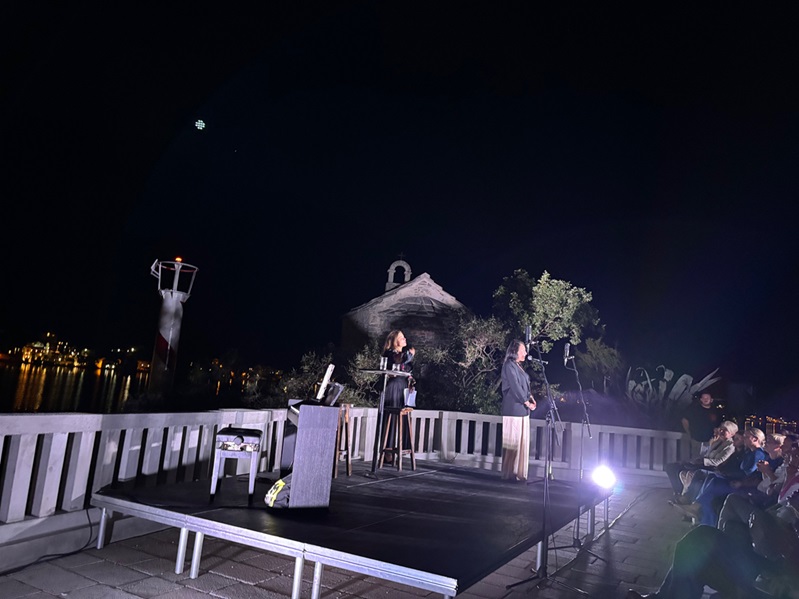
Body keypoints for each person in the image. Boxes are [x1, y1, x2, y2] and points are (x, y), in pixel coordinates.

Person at [674, 427, 767, 526]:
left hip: (744, 486)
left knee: (714, 484)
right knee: (711, 478)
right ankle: (698, 510)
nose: (743, 439)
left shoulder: (758, 454)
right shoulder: (750, 452)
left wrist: (731, 476)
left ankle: (700, 513)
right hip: (737, 480)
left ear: (755, 439)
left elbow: (749, 472)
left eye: (746, 437)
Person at [664, 421, 737, 498]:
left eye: (725, 430)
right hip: (703, 464)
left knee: (685, 472)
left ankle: (685, 495)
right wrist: (695, 460)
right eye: (721, 429)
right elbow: (706, 455)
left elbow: (718, 462)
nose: (721, 431)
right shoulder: (717, 441)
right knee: (671, 467)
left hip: (712, 468)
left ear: (732, 433)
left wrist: (703, 461)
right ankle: (678, 492)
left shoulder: (730, 446)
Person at [500, 340, 536, 482]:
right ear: (515, 351)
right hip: (513, 409)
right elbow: (515, 386)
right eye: (523, 350)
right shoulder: (509, 365)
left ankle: (520, 473)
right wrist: (526, 402)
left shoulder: (518, 366)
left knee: (522, 442)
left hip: (523, 409)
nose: (525, 353)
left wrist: (531, 398)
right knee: (512, 442)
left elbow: (525, 386)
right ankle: (510, 473)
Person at [381, 330, 415, 461]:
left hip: (403, 387)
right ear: (395, 341)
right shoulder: (391, 353)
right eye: (401, 338)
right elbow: (399, 360)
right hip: (394, 386)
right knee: (391, 418)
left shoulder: (404, 355)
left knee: (403, 417)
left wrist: (411, 382)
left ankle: (401, 448)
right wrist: (410, 355)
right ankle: (387, 452)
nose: (404, 339)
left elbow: (408, 371)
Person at [679, 392, 723, 457]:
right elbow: (684, 420)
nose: (705, 399)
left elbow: (719, 424)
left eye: (707, 398)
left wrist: (717, 433)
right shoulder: (694, 409)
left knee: (707, 458)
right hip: (696, 439)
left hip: (710, 441)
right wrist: (688, 432)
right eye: (703, 398)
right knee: (695, 458)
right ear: (701, 399)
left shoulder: (715, 411)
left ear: (711, 400)